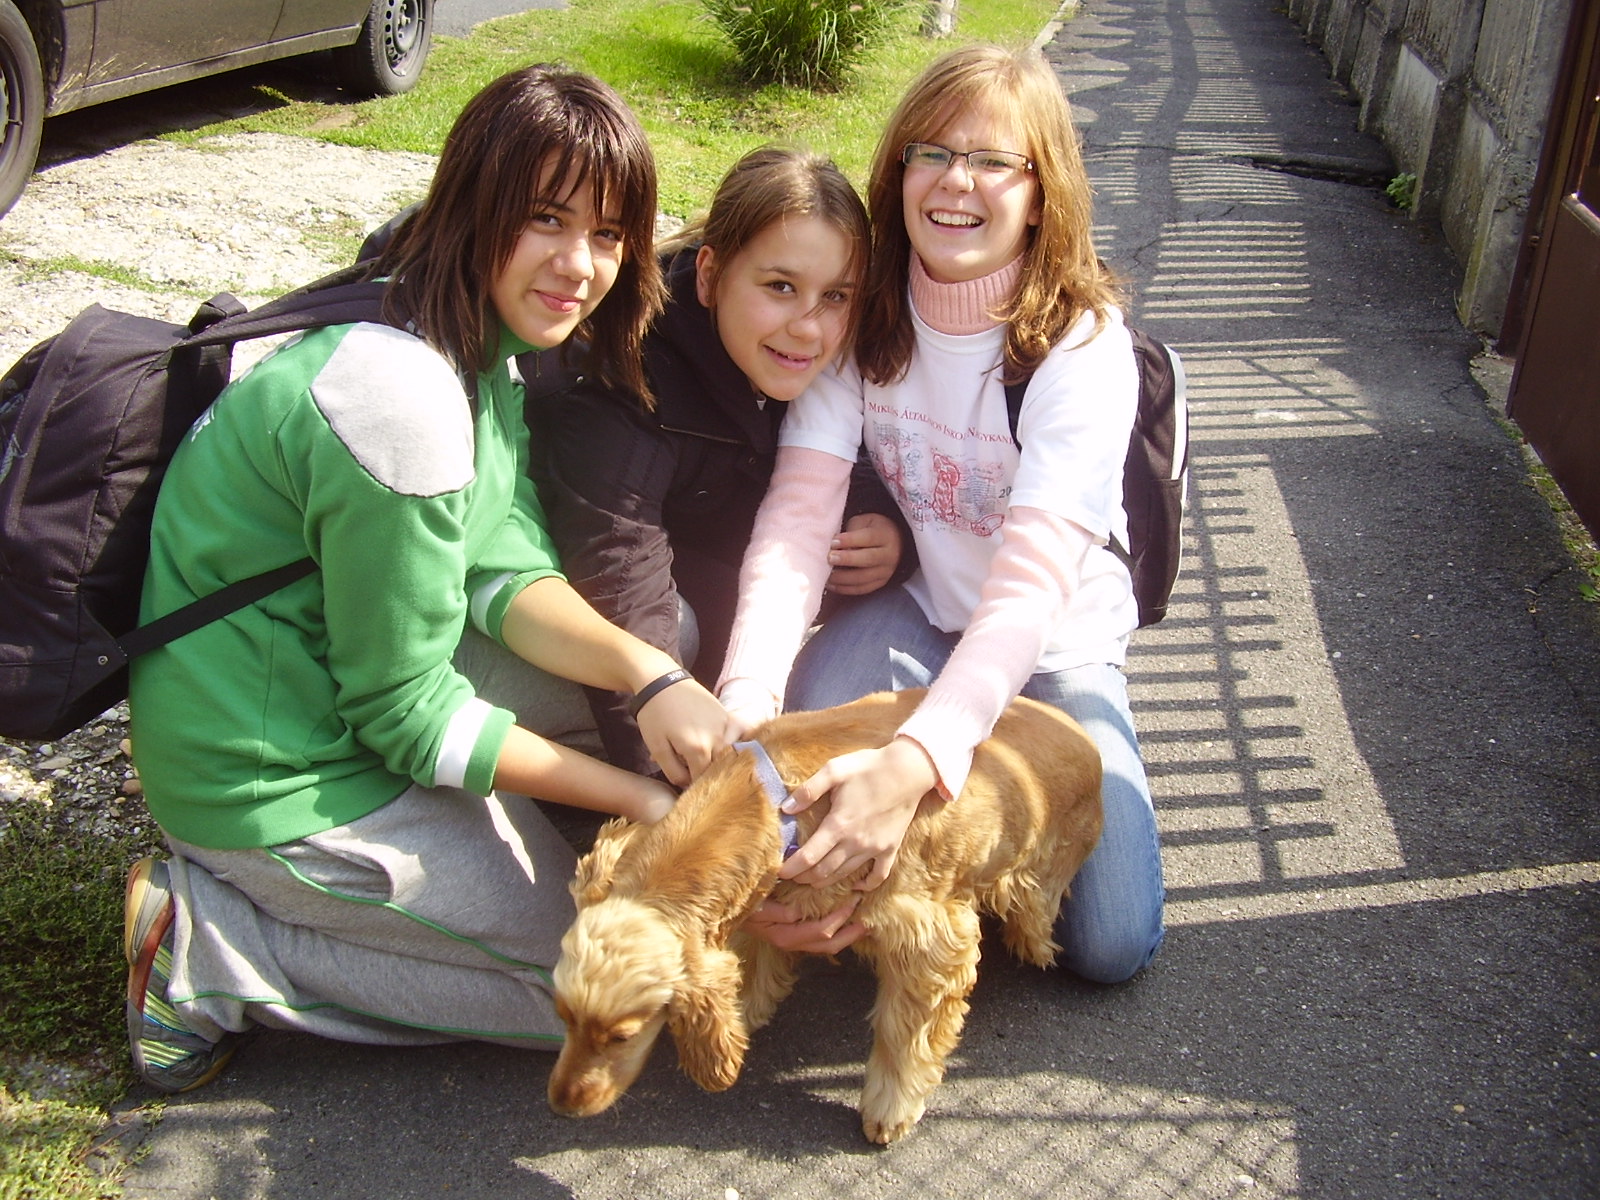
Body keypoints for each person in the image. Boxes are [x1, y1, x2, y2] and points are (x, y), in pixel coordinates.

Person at [121, 64, 735, 1094]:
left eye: (608, 234)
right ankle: (210, 947)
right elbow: (406, 714)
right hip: (267, 770)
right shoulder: (396, 396)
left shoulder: (466, 328)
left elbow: (500, 561)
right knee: (586, 1000)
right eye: (545, 218)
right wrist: (639, 796)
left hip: (335, 676)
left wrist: (649, 675)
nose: (579, 265)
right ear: (476, 201)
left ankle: (458, 864)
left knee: (663, 637)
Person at [716, 43, 1166, 982]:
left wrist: (916, 761)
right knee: (795, 780)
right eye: (932, 152)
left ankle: (960, 818)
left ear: (1040, 193)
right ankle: (921, 840)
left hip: (1054, 644)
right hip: (921, 613)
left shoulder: (1081, 349)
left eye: (994, 160)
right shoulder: (865, 317)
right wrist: (747, 699)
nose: (957, 181)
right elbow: (797, 523)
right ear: (899, 171)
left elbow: (1030, 590)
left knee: (1109, 945)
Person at [524, 145, 910, 776]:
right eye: (780, 287)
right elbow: (619, 580)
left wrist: (887, 530)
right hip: (576, 604)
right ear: (709, 275)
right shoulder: (625, 379)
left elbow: (865, 455)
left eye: (837, 295)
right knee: (683, 631)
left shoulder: (811, 354)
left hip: (714, 572)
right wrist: (675, 791)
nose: (809, 327)